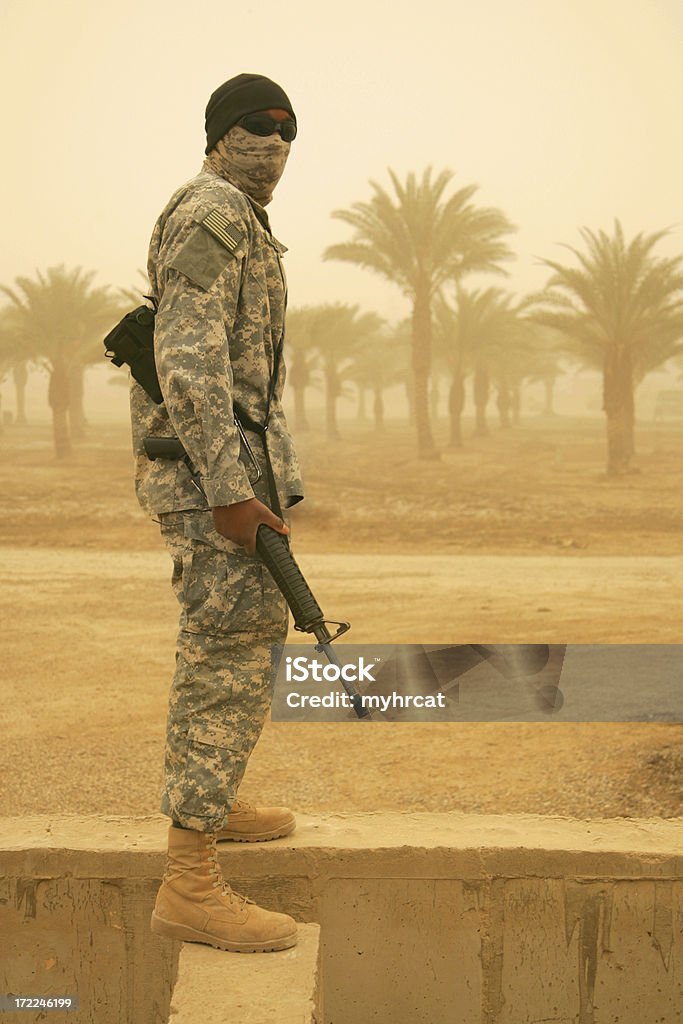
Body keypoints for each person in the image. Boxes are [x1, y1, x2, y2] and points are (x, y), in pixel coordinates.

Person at [129, 73, 304, 953]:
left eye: (286, 130)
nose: (272, 144)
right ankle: (190, 881)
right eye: (254, 126)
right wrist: (232, 492)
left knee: (237, 644)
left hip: (234, 474)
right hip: (214, 483)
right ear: (217, 134)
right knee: (223, 651)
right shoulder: (212, 215)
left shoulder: (241, 216)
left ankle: (216, 799)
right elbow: (189, 363)